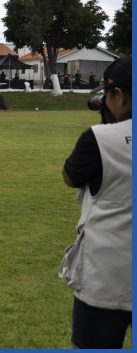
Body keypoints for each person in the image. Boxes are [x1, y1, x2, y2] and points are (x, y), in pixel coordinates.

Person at [60, 56, 132, 349]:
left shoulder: (100, 138)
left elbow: (70, 176)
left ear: (119, 95)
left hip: (108, 272)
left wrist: (107, 124)